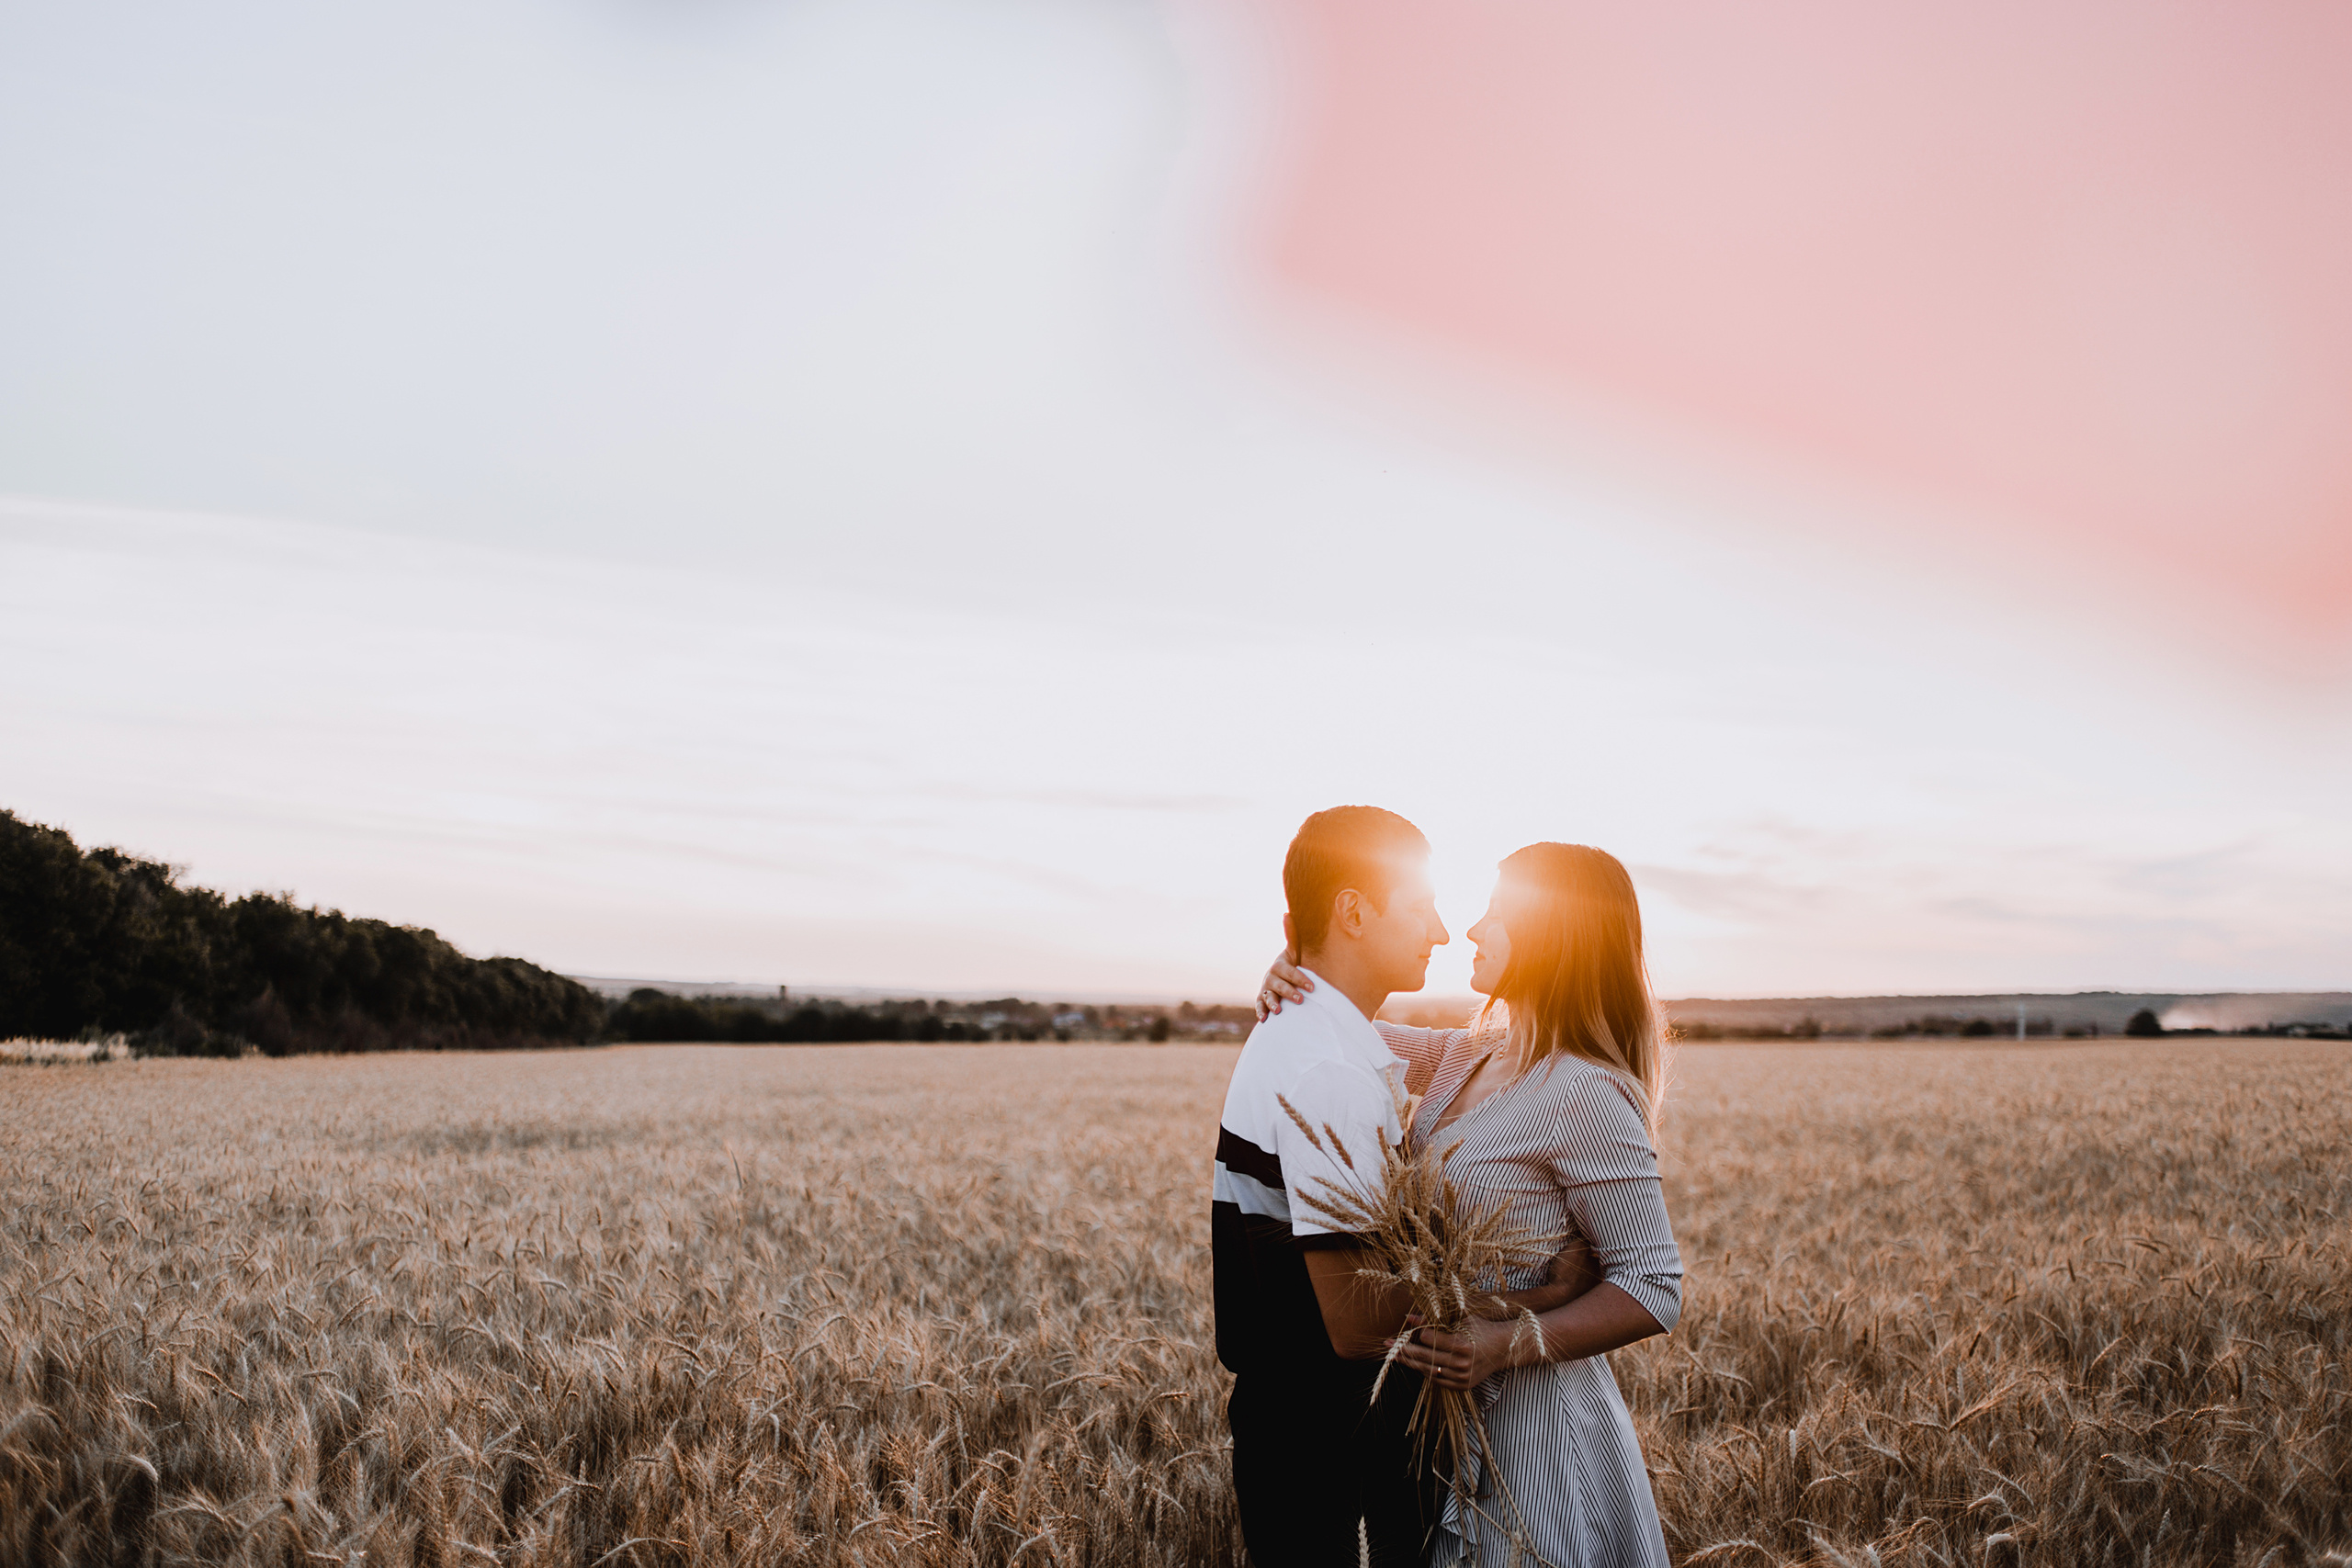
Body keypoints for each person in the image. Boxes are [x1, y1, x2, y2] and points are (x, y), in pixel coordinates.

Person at [1256, 841, 1683, 1568]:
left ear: (1555, 937)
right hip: (1446, 1429)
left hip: (1537, 1437)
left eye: (1495, 913)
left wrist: (1501, 1344)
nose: (1471, 930)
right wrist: (1288, 976)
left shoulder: (1585, 1090)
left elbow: (1654, 1283)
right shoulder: (1471, 1052)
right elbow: (1333, 1031)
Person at [1215, 807, 1594, 1567]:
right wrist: (1547, 1295)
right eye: (1422, 907)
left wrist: (1297, 959)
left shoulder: (1310, 1034)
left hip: (1298, 1427)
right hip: (1330, 1445)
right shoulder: (1331, 1070)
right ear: (1355, 911)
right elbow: (1359, 1327)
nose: (1446, 932)